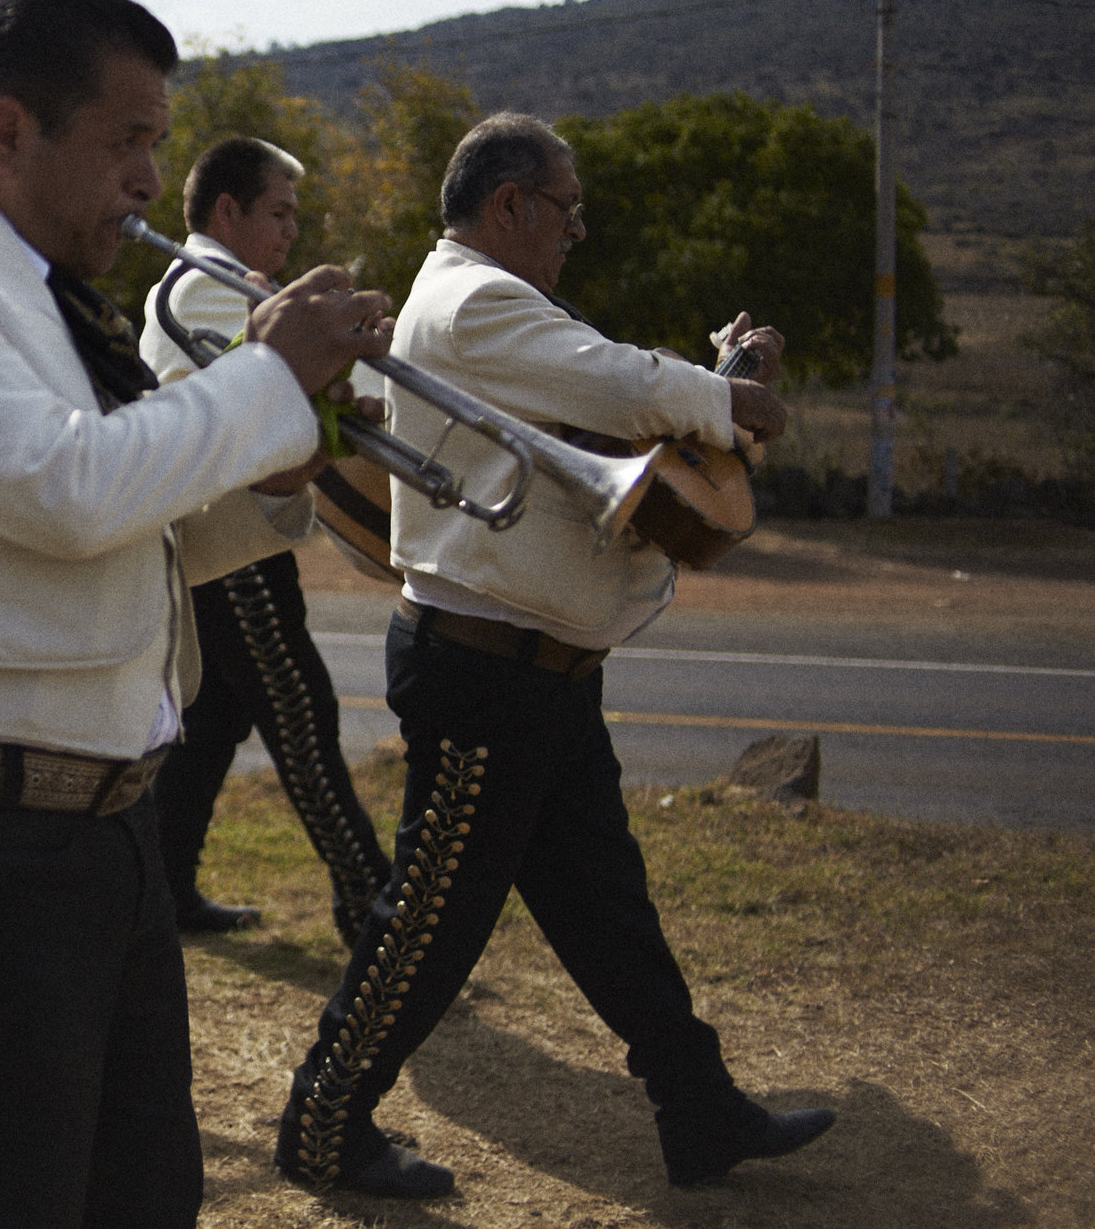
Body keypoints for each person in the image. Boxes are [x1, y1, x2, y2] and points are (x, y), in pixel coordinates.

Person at [0, 0, 394, 1228]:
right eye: (125, 142)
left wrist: (284, 440)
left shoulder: (53, 287)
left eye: (156, 146)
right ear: (8, 132)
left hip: (101, 821)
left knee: (145, 1202)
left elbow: (131, 502)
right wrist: (267, 376)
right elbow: (62, 488)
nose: (144, 179)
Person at [273, 113, 833, 1198]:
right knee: (428, 922)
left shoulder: (494, 303)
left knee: (603, 905)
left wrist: (711, 381)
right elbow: (620, 384)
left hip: (536, 664)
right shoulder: (475, 296)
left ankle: (696, 1104)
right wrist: (726, 393)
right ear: (508, 205)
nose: (576, 228)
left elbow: (601, 404)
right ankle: (320, 1120)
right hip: (489, 669)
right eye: (566, 207)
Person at [141, 136, 393, 941]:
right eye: (278, 212)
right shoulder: (212, 286)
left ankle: (164, 888)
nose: (291, 231)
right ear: (228, 210)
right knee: (305, 721)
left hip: (230, 544)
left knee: (215, 721)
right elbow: (252, 405)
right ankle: (369, 904)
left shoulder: (220, 283)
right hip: (236, 548)